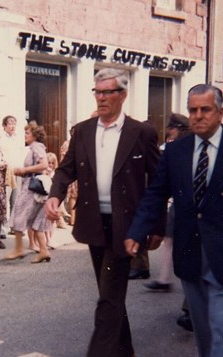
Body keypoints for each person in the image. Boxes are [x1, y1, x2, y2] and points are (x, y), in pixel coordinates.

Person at [45, 68, 163, 357]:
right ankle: (125, 351)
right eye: (97, 92)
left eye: (107, 92)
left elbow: (158, 181)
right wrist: (55, 195)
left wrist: (157, 225)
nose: (100, 98)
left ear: (122, 95)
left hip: (128, 226)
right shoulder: (83, 131)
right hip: (94, 221)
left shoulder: (142, 132)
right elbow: (66, 168)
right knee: (109, 295)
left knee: (109, 296)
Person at [125, 84, 223, 357]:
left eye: (205, 109)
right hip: (190, 254)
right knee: (203, 331)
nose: (198, 116)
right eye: (193, 110)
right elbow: (156, 193)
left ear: (221, 112)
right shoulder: (176, 150)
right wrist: (137, 231)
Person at [144, 113, 190, 292]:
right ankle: (164, 278)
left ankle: (187, 298)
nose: (169, 131)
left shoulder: (182, 147)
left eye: (171, 128)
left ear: (178, 129)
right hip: (177, 203)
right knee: (169, 240)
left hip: (186, 204)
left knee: (186, 245)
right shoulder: (174, 147)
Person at [6, 122, 52, 264]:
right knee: (36, 220)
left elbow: (44, 165)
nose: (25, 135)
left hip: (31, 187)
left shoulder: (36, 147)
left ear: (34, 135)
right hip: (35, 185)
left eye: (27, 133)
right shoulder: (34, 148)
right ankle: (44, 251)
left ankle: (19, 249)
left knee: (18, 214)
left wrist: (24, 170)